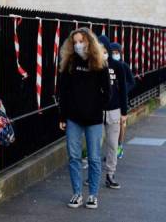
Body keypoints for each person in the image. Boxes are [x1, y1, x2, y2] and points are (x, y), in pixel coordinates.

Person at [59, 28, 111, 209]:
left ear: (89, 41)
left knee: (94, 158)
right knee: (73, 157)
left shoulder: (99, 63)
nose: (78, 45)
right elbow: (63, 91)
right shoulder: (70, 62)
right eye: (75, 42)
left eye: (81, 41)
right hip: (73, 118)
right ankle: (77, 193)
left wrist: (97, 107)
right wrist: (63, 115)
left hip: (94, 119)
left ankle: (93, 195)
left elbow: (107, 92)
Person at [98, 36, 128, 190]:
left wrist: (124, 112)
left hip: (114, 110)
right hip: (97, 111)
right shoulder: (94, 65)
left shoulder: (118, 66)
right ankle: (94, 175)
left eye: (105, 49)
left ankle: (110, 174)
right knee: (95, 144)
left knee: (112, 144)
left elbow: (123, 90)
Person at [110, 42, 135, 159]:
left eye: (117, 52)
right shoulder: (109, 66)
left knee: (121, 124)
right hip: (112, 100)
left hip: (122, 100)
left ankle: (120, 145)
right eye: (113, 52)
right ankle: (112, 149)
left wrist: (124, 90)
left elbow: (132, 81)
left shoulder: (124, 66)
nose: (115, 54)